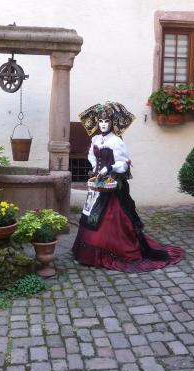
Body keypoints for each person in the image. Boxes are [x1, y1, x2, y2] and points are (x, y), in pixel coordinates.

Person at [71, 102, 184, 272]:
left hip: (113, 185)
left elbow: (124, 165)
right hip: (97, 182)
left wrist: (109, 168)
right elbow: (90, 156)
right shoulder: (95, 139)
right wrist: (95, 166)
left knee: (111, 217)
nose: (103, 124)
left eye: (106, 122)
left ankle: (113, 250)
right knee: (90, 214)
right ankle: (86, 253)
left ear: (112, 123)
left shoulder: (117, 142)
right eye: (100, 122)